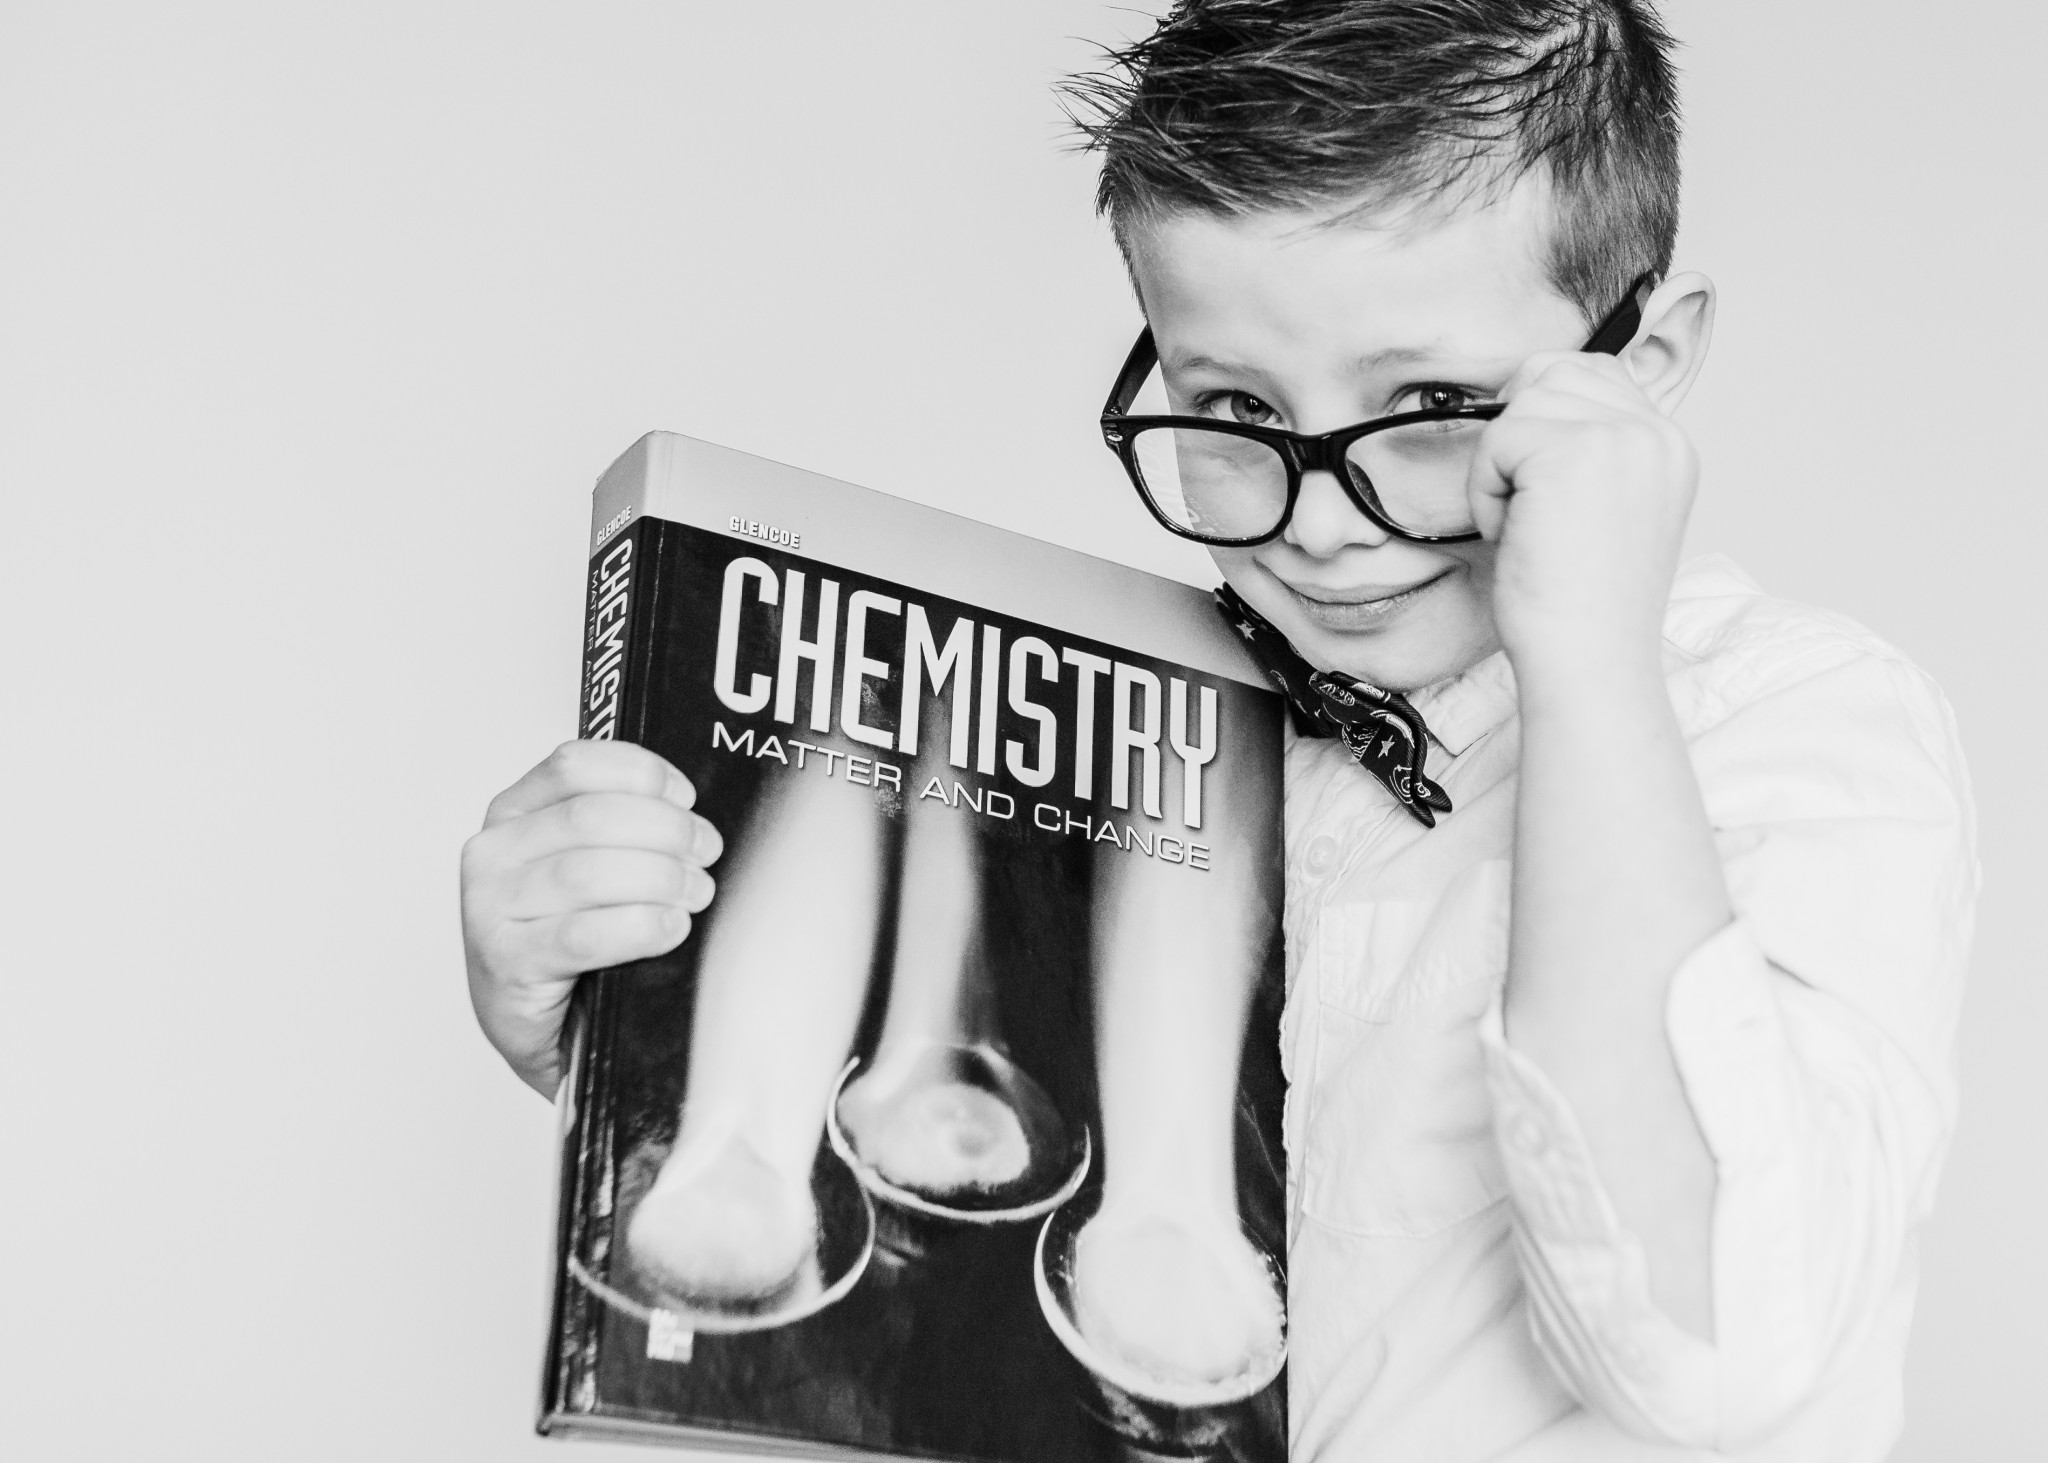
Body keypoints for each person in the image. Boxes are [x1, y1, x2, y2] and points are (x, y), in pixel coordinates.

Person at [460, 2, 1977, 1458]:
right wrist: (595, 1023)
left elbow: (1705, 1349)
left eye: (1429, 404)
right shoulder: (1164, 735)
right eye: (1238, 413)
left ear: (1640, 372)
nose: (1316, 524)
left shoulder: (1798, 732)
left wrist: (1588, 665)